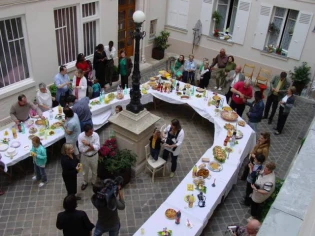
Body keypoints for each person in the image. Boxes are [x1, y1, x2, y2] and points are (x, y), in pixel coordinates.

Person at [78, 124, 100, 191]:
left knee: (94, 170)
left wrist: (88, 144)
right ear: (85, 132)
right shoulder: (80, 136)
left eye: (92, 131)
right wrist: (92, 147)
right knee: (84, 171)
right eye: (90, 132)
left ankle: (93, 182)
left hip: (94, 156)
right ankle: (85, 182)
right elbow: (81, 149)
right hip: (84, 157)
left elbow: (98, 147)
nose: (92, 133)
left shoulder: (95, 135)